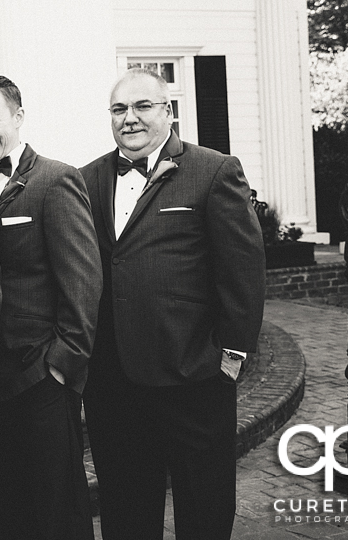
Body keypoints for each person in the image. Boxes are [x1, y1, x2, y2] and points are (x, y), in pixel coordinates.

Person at [79, 68, 265, 540]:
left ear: (168, 111)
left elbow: (242, 272)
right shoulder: (87, 180)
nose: (130, 119)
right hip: (113, 379)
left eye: (142, 107)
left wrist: (231, 356)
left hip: (192, 374)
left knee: (203, 503)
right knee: (125, 504)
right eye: (119, 109)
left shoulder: (214, 170)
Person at [0, 75, 102, 540]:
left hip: (40, 376)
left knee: (55, 506)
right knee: (0, 504)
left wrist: (62, 366)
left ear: (18, 118)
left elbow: (82, 281)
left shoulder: (55, 180)